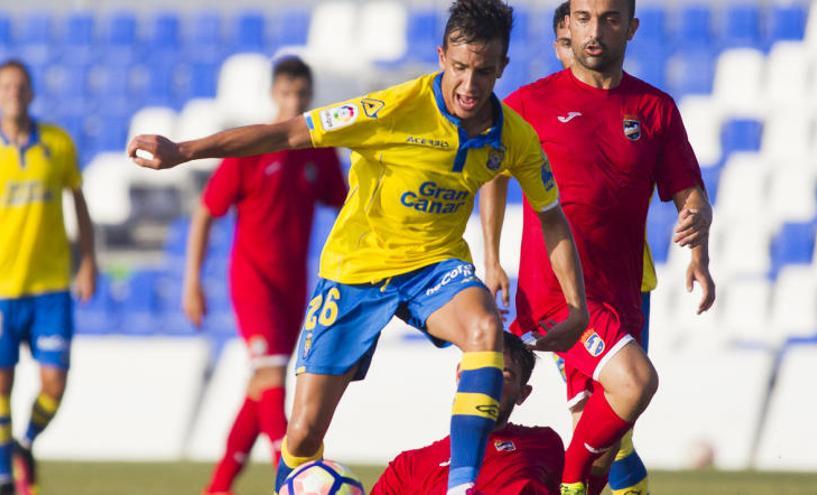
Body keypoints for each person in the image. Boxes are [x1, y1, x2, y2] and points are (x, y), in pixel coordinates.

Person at [128, 2, 589, 494]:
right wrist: (183, 151)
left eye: (483, 71)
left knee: (483, 328)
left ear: (502, 68)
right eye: (459, 68)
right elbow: (286, 132)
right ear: (441, 57)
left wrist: (577, 306)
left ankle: (462, 486)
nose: (469, 85)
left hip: (434, 266)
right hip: (356, 272)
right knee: (303, 434)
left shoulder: (514, 137)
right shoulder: (390, 109)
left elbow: (551, 216)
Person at [480, 0, 715, 494]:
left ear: (629, 28)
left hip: (624, 290)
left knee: (609, 432)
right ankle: (567, 485)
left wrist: (699, 242)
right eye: (583, 18)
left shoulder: (655, 108)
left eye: (608, 19)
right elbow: (491, 174)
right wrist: (493, 257)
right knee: (635, 382)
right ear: (568, 25)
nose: (594, 31)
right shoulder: (528, 104)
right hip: (559, 296)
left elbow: (688, 190)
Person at [184, 57, 348, 495]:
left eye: (301, 94)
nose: (294, 101)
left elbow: (346, 204)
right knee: (273, 377)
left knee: (261, 388)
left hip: (294, 285)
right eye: (287, 93)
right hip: (252, 280)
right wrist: (192, 280)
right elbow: (206, 210)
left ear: (309, 97)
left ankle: (218, 487)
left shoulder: (319, 151)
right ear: (275, 94)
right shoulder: (252, 147)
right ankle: (289, 476)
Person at [0, 59, 97, 495]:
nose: (14, 93)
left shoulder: (57, 144)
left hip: (51, 288)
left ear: (32, 93)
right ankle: (5, 476)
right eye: (5, 87)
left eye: (20, 86)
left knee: (53, 386)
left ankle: (25, 442)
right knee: (1, 384)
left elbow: (79, 202)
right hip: (2, 289)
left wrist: (88, 260)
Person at [372, 332, 563, 495]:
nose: (489, 381)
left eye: (505, 375)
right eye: (482, 370)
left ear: (522, 394)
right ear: (459, 375)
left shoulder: (543, 444)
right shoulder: (408, 466)